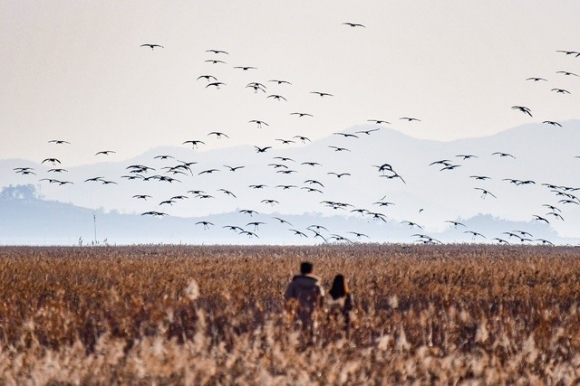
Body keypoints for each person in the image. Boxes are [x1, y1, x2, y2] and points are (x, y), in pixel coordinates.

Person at [284, 261, 325, 334]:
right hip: (312, 317)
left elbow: (287, 299)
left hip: (296, 316)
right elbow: (321, 300)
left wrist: (289, 313)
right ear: (311, 270)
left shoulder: (294, 284)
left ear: (301, 270)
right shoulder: (317, 286)